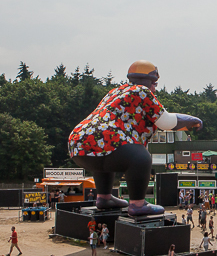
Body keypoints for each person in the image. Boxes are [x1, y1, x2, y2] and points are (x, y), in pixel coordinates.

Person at [68, 60, 202, 216]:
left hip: (77, 143)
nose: (154, 88)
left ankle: (104, 197)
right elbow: (166, 122)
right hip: (105, 138)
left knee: (105, 150)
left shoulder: (115, 92)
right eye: (154, 83)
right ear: (148, 81)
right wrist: (194, 120)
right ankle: (137, 205)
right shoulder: (142, 91)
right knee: (140, 158)